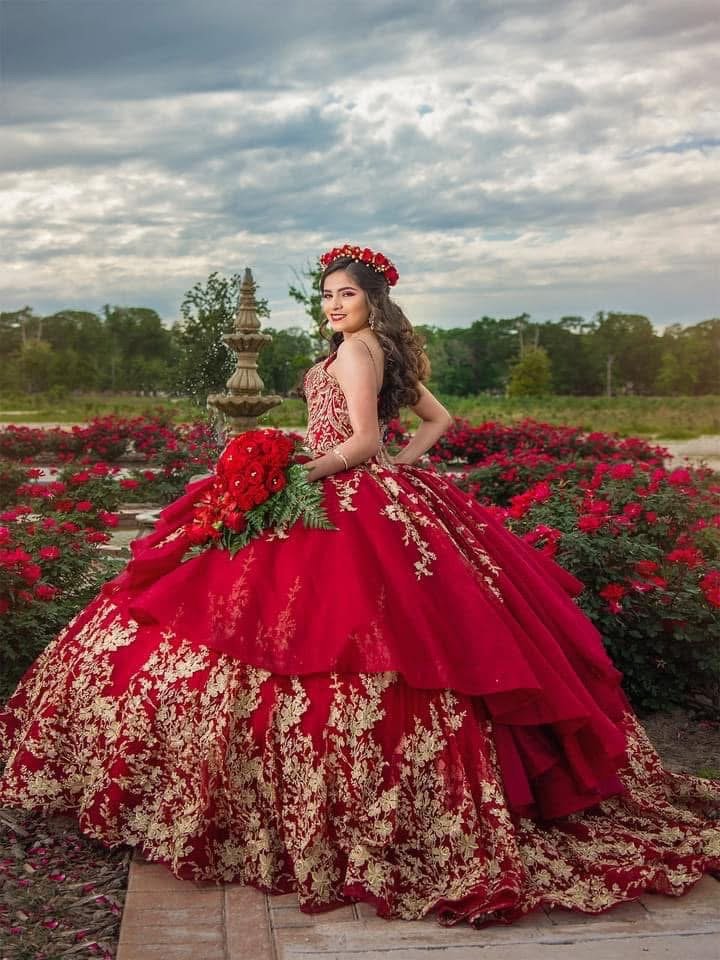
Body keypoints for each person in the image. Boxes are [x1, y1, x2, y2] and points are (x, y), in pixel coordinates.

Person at [0, 244, 718, 928]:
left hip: (343, 488)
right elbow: (437, 421)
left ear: (372, 299)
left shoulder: (354, 351)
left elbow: (364, 441)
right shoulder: (384, 350)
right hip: (377, 491)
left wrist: (298, 474)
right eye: (327, 295)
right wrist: (401, 468)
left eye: (346, 294)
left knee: (299, 622)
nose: (333, 304)